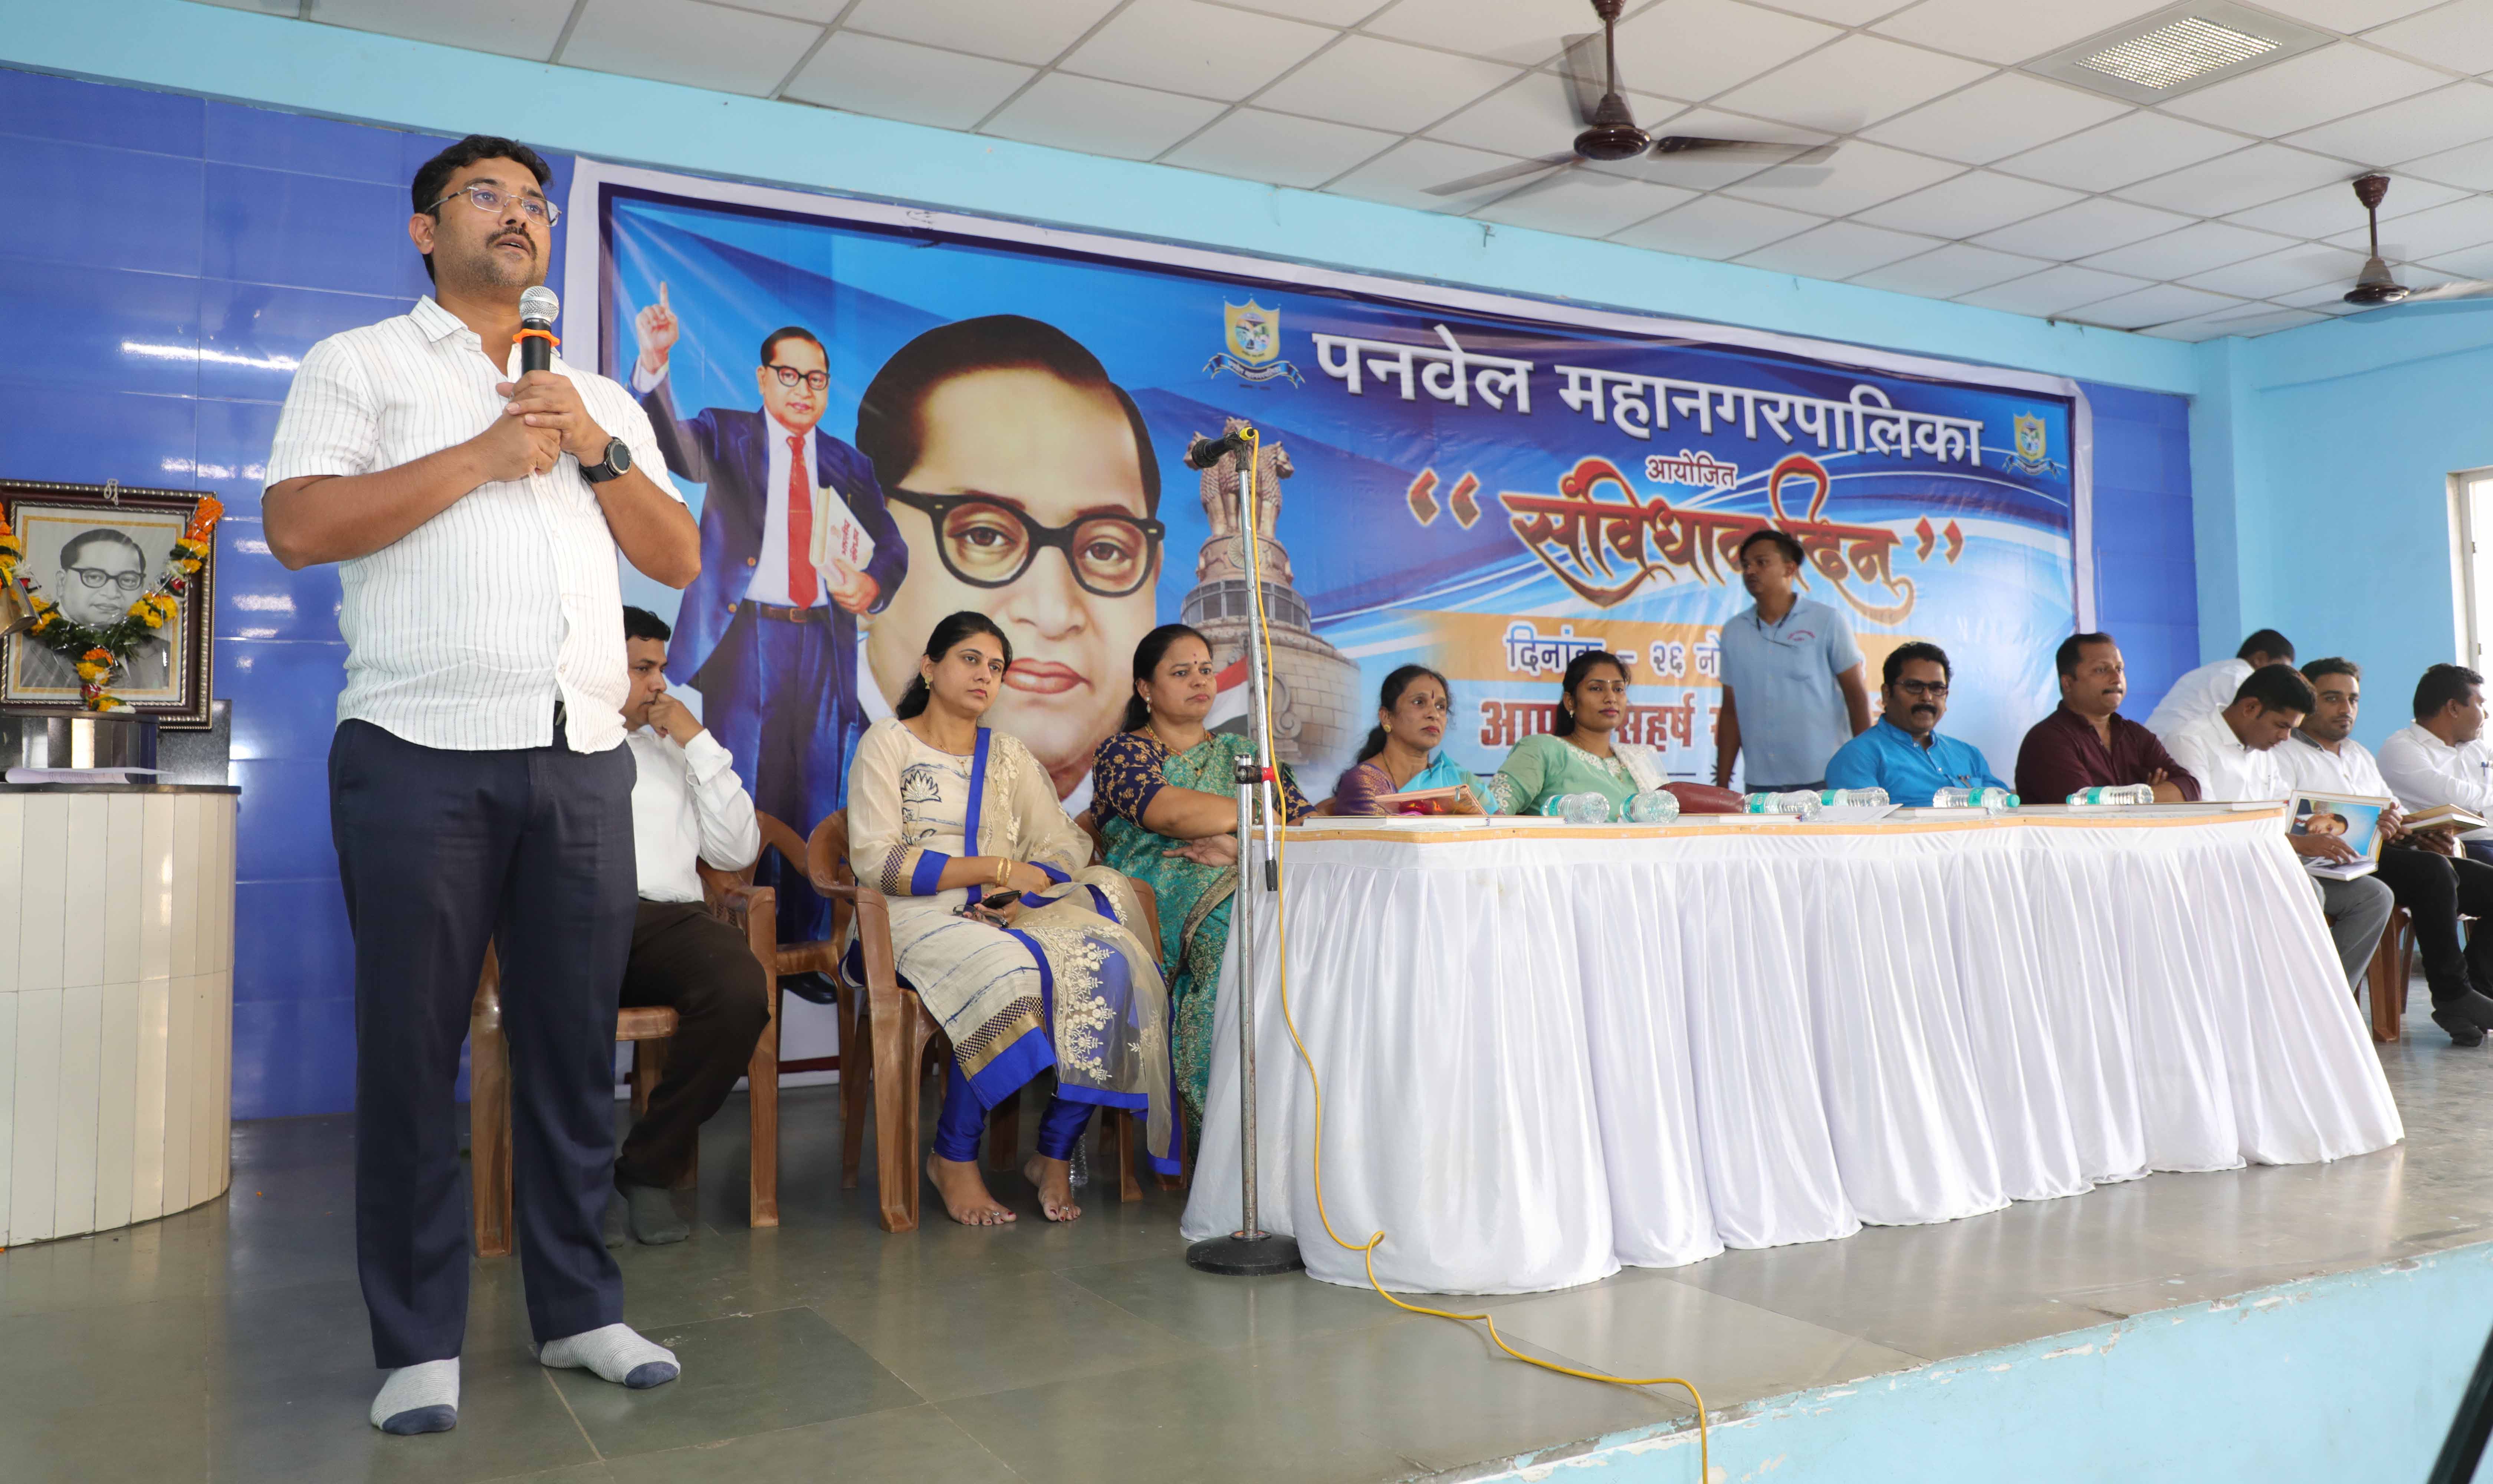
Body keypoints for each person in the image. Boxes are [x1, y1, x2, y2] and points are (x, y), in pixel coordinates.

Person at [262, 134, 698, 1435]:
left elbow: (678, 554)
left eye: (536, 203)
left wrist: (593, 448)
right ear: (424, 229)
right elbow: (297, 526)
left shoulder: (596, 393)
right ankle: (416, 1341)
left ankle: (579, 1311)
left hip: (579, 756)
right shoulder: (361, 363)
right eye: (487, 196)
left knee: (570, 1052)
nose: (520, 217)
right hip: (416, 751)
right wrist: (484, 452)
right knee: (412, 1050)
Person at [842, 612, 1177, 1224]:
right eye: (971, 660)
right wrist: (997, 868)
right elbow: (877, 860)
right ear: (929, 667)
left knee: (1110, 963)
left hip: (1005, 915)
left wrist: (1028, 888)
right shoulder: (888, 744)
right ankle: (953, 1156)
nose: (985, 676)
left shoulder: (1008, 756)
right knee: (1009, 967)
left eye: (996, 667)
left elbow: (1064, 842)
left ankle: (1054, 1153)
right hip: (908, 917)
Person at [630, 295, 906, 943]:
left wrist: (871, 583)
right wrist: (655, 364)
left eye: (817, 379)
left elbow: (892, 546)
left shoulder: (849, 463)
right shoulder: (726, 433)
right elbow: (669, 448)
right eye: (789, 375)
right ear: (763, 379)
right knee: (744, 784)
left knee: (818, 790)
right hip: (746, 635)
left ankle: (810, 942)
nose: (804, 390)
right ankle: (737, 940)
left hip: (826, 642)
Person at [857, 316, 1165, 811]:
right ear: (862, 550)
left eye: (1105, 550)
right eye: (985, 535)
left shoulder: (1161, 787)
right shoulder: (792, 762)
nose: (1053, 613)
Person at [1091, 623, 1310, 1121]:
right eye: (1181, 672)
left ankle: (1288, 1113)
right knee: (1234, 943)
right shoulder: (1123, 753)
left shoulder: (1246, 755)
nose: (1199, 681)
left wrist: (1241, 846)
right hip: (1155, 901)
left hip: (1241, 879)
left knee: (1303, 937)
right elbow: (1168, 814)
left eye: (1206, 670)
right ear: (1145, 688)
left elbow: (1300, 824)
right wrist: (1258, 819)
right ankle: (1221, 1122)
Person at [610, 607, 769, 1242]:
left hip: (670, 921)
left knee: (740, 991)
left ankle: (648, 1168)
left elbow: (736, 851)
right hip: (576, 915)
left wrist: (698, 742)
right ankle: (573, 1182)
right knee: (559, 1003)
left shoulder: (672, 748)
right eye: (642, 669)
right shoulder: (555, 740)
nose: (658, 684)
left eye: (662, 669)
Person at [2282, 658, 2493, 1044]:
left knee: (2478, 879)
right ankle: (2452, 993)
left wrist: (2409, 830)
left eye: (2353, 700)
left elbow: (2394, 813)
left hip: (2380, 855)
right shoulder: (2283, 753)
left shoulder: (2358, 755)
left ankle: (2474, 992)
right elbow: (2284, 824)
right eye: (2332, 698)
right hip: (2325, 864)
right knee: (2432, 871)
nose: (2345, 709)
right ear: (2305, 698)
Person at [2164, 664, 2394, 991]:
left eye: (2292, 729)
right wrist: (2295, 844)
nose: (2286, 738)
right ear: (2250, 708)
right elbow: (2207, 825)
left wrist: (2318, 840)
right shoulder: (2191, 740)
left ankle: (2327, 1000)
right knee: (2307, 890)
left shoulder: (2263, 750)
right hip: (2217, 869)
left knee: (2374, 896)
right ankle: (2288, 1000)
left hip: (2272, 861)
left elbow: (2283, 813)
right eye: (2282, 726)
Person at [1712, 528, 1872, 793]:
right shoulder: (1734, 631)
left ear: (1790, 569)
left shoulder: (1826, 621)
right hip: (1761, 782)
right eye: (1746, 565)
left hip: (1826, 775)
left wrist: (1865, 769)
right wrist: (1721, 783)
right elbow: (1730, 711)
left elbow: (1856, 697)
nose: (1751, 571)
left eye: (1761, 563)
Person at [2014, 633, 2202, 804]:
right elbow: (2086, 807)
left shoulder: (2136, 735)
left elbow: (2191, 789)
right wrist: (2147, 797)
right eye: (2101, 670)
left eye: (2119, 669)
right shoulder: (2047, 740)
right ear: (2068, 683)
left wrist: (2135, 798)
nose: (2116, 678)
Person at [1823, 641, 2010, 805]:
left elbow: (2005, 811)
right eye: (1914, 686)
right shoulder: (1857, 757)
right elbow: (1864, 829)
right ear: (1887, 694)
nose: (1927, 697)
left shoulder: (1968, 754)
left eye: (1937, 688)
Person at [1488, 650, 1671, 815]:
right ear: (1570, 701)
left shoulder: (1641, 760)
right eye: (1596, 688)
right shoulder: (1541, 750)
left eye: (1618, 689)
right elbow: (1490, 817)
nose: (1611, 698)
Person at [15, 529, 173, 691]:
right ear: (62, 582)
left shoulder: (167, 655)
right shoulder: (20, 653)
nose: (112, 593)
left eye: (128, 580)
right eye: (94, 577)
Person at [1330, 664, 1491, 815]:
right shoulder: (1365, 781)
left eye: (1441, 707)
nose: (1434, 714)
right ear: (1386, 717)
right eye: (1419, 702)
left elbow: (1499, 830)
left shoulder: (1460, 781)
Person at [2379, 663, 2493, 862]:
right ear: (2454, 708)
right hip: (2457, 848)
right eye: (2481, 704)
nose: (2487, 714)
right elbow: (2454, 797)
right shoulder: (2401, 748)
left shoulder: (2477, 747)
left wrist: (2480, 810)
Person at [2144, 628, 2295, 745]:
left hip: (2155, 747)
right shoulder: (2240, 679)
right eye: (2280, 669)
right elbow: (2260, 727)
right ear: (2259, 659)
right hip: (2174, 750)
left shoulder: (2216, 670)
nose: (2281, 678)